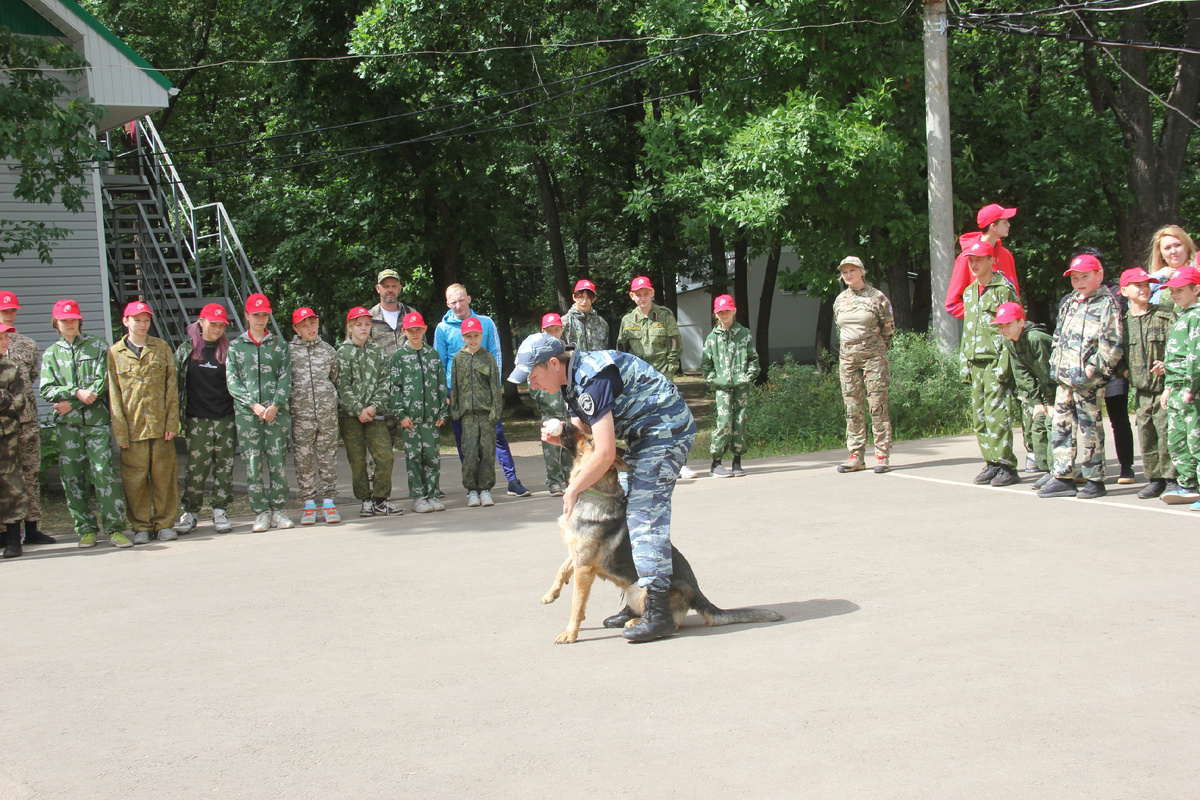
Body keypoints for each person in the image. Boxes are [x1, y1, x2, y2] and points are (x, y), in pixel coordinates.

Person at [511, 333, 697, 643]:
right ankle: (640, 601)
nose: (531, 384)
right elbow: (587, 435)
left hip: (666, 431)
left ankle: (659, 612)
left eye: (533, 375)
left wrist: (573, 490)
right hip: (643, 436)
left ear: (553, 363)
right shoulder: (570, 380)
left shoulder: (592, 379)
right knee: (624, 510)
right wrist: (564, 438)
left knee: (643, 513)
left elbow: (606, 453)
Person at [40, 299, 131, 548]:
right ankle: (86, 529)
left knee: (104, 474)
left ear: (79, 320)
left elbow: (103, 383)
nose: (69, 324)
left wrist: (75, 402)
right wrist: (75, 391)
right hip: (67, 427)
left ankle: (115, 528)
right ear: (56, 323)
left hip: (96, 424)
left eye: (73, 319)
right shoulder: (51, 353)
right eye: (64, 320)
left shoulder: (97, 347)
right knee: (72, 478)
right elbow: (47, 389)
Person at [1038, 253, 1124, 499]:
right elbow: (1059, 335)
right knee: (1061, 426)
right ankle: (1063, 475)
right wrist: (1055, 361)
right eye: (1075, 278)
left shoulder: (1106, 303)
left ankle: (1094, 478)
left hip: (1087, 382)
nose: (1079, 282)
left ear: (1099, 275)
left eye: (1084, 277)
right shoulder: (1070, 302)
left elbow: (1113, 344)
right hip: (1065, 378)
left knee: (1089, 430)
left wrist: (1092, 369)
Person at [434, 283, 531, 497]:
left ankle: (512, 480)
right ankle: (474, 486)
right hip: (456, 393)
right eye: (453, 302)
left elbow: (496, 354)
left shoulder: (485, 323)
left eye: (461, 300)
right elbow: (439, 363)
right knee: (464, 441)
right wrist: (444, 394)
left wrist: (493, 388)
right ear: (447, 304)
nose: (457, 305)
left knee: (496, 436)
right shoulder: (442, 328)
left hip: (485, 392)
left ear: (468, 298)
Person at [107, 301, 180, 543]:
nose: (142, 324)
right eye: (136, 319)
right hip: (133, 428)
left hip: (160, 427)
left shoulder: (161, 348)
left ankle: (165, 523)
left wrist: (172, 423)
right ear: (126, 321)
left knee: (164, 478)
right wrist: (120, 432)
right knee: (135, 481)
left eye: (146, 320)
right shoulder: (115, 353)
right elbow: (113, 393)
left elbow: (171, 388)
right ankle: (140, 526)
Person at [226, 293, 294, 532]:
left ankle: (278, 510)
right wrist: (253, 405)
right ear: (246, 316)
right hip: (248, 416)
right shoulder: (235, 347)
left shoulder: (278, 344)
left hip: (276, 414)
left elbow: (286, 377)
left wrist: (275, 405)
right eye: (256, 315)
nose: (260, 319)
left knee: (277, 463)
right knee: (253, 464)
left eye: (264, 315)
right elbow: (232, 382)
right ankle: (261, 512)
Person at [616, 276, 694, 478]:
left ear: (652, 293)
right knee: (638, 423)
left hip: (662, 377)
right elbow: (621, 350)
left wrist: (668, 371)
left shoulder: (665, 315)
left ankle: (678, 464)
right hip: (637, 382)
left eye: (646, 293)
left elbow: (675, 344)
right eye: (638, 294)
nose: (643, 297)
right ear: (632, 296)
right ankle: (643, 465)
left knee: (669, 421)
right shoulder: (627, 320)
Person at [959, 240, 1021, 486]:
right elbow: (967, 330)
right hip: (975, 361)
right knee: (980, 417)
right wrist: (964, 363)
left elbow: (1013, 326)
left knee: (997, 414)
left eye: (979, 259)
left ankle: (1006, 465)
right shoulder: (969, 292)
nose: (974, 264)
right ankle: (992, 462)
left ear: (990, 261)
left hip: (996, 360)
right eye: (971, 260)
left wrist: (1006, 364)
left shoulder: (1003, 288)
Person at [173, 303, 237, 535]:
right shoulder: (185, 351)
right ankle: (190, 512)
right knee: (195, 469)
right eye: (213, 323)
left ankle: (220, 510)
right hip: (197, 420)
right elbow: (175, 386)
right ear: (201, 322)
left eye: (221, 325)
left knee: (224, 467)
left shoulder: (230, 351)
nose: (217, 329)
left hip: (225, 419)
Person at [831, 256, 894, 474]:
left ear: (862, 272)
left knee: (877, 405)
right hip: (848, 358)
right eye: (845, 272)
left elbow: (888, 328)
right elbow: (841, 329)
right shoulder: (840, 300)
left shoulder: (876, 297)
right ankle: (856, 456)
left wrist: (875, 349)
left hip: (873, 357)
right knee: (852, 407)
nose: (848, 275)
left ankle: (882, 455)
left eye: (852, 270)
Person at [1119, 268, 1178, 499]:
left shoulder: (1164, 316)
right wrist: (1125, 372)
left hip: (1164, 388)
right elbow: (1116, 354)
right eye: (1138, 285)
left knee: (1166, 434)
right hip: (1141, 391)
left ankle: (1172, 478)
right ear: (1124, 291)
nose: (1144, 289)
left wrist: (1168, 364)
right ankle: (1155, 479)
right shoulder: (1122, 323)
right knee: (1146, 434)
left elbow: (1178, 347)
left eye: (1147, 285)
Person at [0, 292, 53, 544]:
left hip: (25, 420)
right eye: (4, 310)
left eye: (12, 311)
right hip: (2, 423)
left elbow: (31, 378)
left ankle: (32, 527)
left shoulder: (29, 345)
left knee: (30, 472)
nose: (9, 314)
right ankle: (5, 530)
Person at [338, 307, 400, 517]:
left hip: (375, 415)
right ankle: (364, 500)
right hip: (350, 417)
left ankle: (380, 499)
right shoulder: (342, 352)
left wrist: (372, 408)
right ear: (350, 328)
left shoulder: (377, 351)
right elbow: (342, 386)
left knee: (385, 457)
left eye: (367, 324)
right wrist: (358, 410)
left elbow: (386, 382)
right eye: (358, 324)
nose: (363, 328)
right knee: (357, 461)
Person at [390, 311, 446, 513]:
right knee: (414, 458)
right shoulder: (399, 357)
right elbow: (395, 387)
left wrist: (442, 412)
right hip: (411, 420)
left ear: (424, 330)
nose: (415, 334)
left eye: (418, 330)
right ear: (404, 332)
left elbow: (441, 385)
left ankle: (432, 494)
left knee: (432, 457)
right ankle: (418, 497)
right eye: (410, 331)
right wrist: (401, 415)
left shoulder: (433, 355)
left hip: (431, 419)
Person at [290, 307, 341, 525]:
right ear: (296, 328)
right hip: (302, 416)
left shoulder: (328, 351)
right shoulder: (288, 352)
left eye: (312, 323)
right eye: (304, 325)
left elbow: (335, 377)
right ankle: (309, 503)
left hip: (326, 414)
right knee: (303, 459)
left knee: (327, 457)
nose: (310, 328)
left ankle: (328, 502)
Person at [995, 302, 1055, 484]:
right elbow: (1021, 373)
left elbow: (1048, 372)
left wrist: (1050, 402)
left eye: (1008, 324)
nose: (1004, 329)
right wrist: (1036, 401)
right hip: (1041, 389)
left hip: (1058, 386)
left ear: (1021, 322)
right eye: (1000, 325)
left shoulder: (1036, 339)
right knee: (1037, 426)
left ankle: (1059, 471)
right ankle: (1047, 470)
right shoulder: (1010, 341)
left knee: (1053, 425)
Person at [701, 294, 759, 478]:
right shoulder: (712, 338)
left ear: (734, 311)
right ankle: (716, 462)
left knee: (740, 422)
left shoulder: (744, 334)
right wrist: (715, 381)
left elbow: (753, 360)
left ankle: (737, 461)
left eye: (727, 310)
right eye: (720, 311)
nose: (724, 314)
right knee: (724, 422)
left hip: (741, 387)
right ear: (715, 314)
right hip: (723, 388)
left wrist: (747, 377)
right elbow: (706, 365)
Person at [450, 317, 503, 508]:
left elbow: (495, 386)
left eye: (476, 336)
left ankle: (485, 489)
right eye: (469, 336)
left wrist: (495, 410)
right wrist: (455, 409)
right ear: (463, 337)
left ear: (481, 335)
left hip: (486, 414)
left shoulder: (487, 358)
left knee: (487, 452)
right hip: (467, 416)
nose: (473, 340)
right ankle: (471, 490)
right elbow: (454, 385)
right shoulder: (458, 358)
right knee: (470, 452)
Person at [1158, 266, 1200, 507]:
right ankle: (1188, 484)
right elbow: (1174, 358)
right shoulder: (1183, 315)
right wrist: (1168, 387)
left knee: (1196, 441)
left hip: (1190, 391)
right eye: (1171, 290)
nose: (1174, 295)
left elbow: (1195, 357)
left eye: (1180, 290)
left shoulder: (1196, 316)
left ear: (1196, 289)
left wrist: (1190, 388)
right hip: (1176, 389)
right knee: (1177, 440)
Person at [368, 268, 418, 443]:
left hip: (410, 392)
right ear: (378, 289)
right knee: (382, 451)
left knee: (416, 448)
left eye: (394, 286)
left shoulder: (412, 316)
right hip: (382, 393)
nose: (390, 289)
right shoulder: (368, 319)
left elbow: (422, 352)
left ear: (400, 288)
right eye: (386, 286)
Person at [945, 204, 1021, 319]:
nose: (1009, 225)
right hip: (981, 334)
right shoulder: (966, 258)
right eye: (1005, 222)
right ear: (993, 227)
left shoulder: (1007, 255)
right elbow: (952, 305)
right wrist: (984, 317)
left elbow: (1016, 295)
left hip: (1007, 333)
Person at [529, 313, 573, 495]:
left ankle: (571, 480)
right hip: (550, 411)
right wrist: (541, 396)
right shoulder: (537, 354)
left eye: (556, 329)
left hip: (569, 411)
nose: (553, 333)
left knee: (570, 449)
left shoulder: (567, 353)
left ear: (562, 329)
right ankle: (554, 482)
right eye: (549, 330)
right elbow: (532, 379)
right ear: (542, 331)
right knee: (551, 451)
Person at [0, 323, 30, 559]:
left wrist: (5, 399)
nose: (5, 342)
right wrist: (4, 397)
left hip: (6, 436)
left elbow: (19, 402)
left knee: (11, 486)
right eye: (1, 338)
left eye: (6, 338)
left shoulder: (11, 367)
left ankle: (13, 538)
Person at [1145, 225, 1197, 308]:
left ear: (1187, 248)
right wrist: (1160, 276)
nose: (1173, 251)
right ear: (1160, 254)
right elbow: (1134, 303)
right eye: (1167, 248)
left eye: (1178, 245)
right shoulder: (1158, 279)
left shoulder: (1198, 272)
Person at [561, 278, 608, 351]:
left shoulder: (601, 323)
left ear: (594, 299)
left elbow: (604, 348)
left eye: (589, 297)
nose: (584, 301)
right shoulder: (564, 322)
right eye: (581, 297)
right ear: (574, 297)